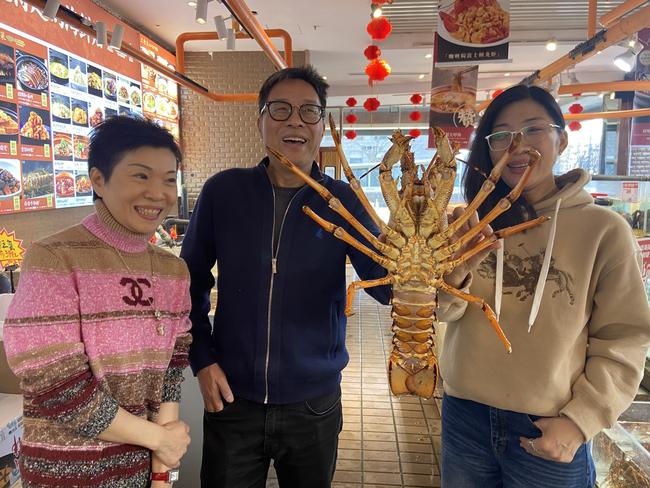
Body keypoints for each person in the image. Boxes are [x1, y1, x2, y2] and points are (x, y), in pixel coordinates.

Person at [181, 65, 391, 488]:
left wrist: (418, 258)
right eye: (280, 109)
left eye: (309, 111)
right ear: (260, 121)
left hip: (313, 402)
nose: (295, 120)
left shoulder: (342, 200)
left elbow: (386, 285)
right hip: (231, 398)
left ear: (320, 127)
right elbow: (189, 284)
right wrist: (202, 359)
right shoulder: (224, 192)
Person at [437, 84, 650, 487]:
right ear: (490, 148)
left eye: (533, 130)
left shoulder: (604, 230)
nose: (517, 145)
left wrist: (579, 422)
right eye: (502, 135)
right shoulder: (469, 223)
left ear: (562, 139)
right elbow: (443, 311)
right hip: (465, 415)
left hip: (548, 426)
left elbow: (624, 338)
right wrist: (454, 273)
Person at [3, 116, 192, 488]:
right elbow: (56, 382)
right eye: (140, 176)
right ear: (98, 180)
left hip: (143, 469)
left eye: (169, 179)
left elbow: (173, 366)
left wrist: (162, 472)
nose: (158, 192)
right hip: (69, 472)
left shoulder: (173, 271)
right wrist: (159, 440)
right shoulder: (54, 257)